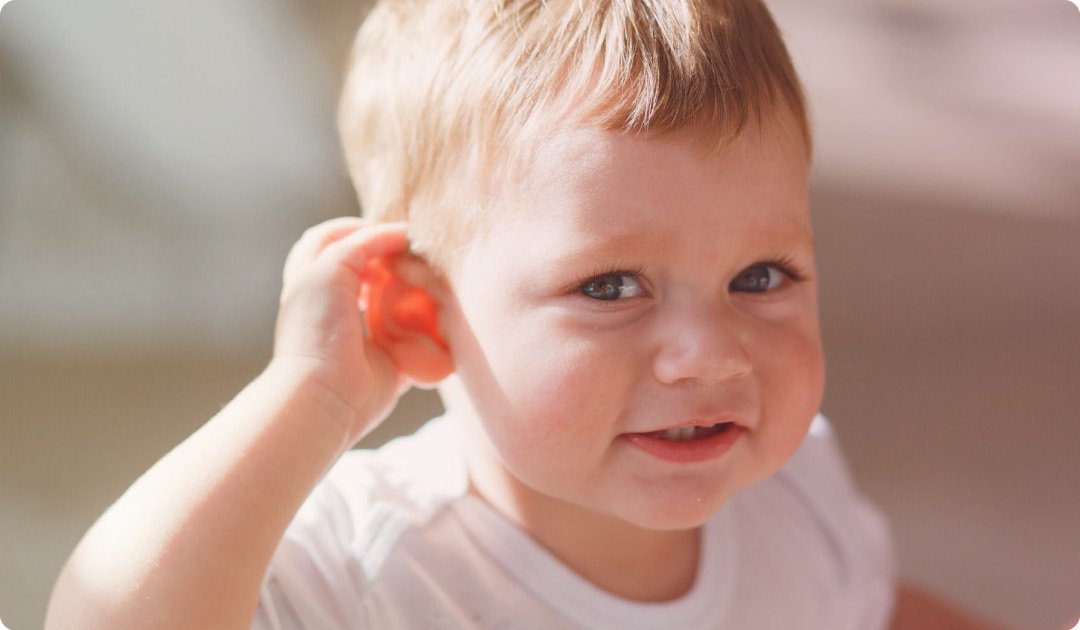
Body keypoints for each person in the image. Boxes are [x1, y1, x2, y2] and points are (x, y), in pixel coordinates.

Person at [45, 1, 1000, 628]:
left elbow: (864, 609)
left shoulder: (792, 491)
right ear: (420, 312)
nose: (711, 356)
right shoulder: (370, 567)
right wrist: (310, 398)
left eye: (761, 274)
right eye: (611, 287)